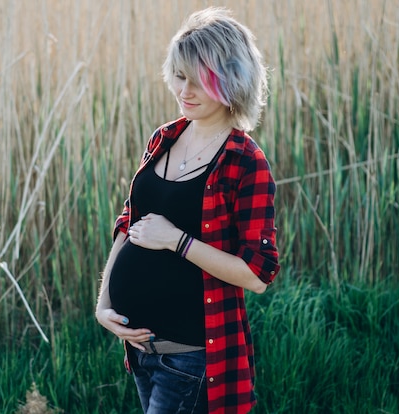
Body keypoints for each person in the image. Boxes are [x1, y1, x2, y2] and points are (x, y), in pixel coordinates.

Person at [95, 7, 280, 413]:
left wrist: (177, 241)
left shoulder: (245, 162)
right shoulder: (164, 138)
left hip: (193, 361)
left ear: (233, 79)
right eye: (180, 76)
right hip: (142, 353)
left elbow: (257, 274)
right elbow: (129, 222)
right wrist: (104, 303)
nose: (185, 91)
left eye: (199, 80)